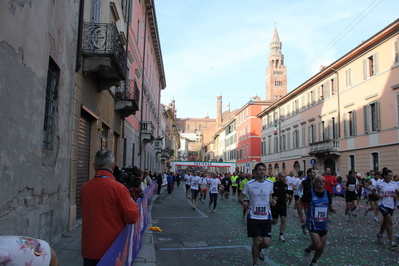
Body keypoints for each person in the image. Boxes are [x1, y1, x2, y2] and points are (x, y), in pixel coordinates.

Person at [80, 149, 139, 266]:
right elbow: (132, 217)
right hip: (112, 248)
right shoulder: (119, 188)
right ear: (113, 166)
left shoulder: (85, 187)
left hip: (89, 247)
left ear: (94, 166)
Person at [239, 162, 276, 266]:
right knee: (256, 241)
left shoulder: (270, 183)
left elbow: (270, 197)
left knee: (266, 243)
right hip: (253, 216)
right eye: (259, 169)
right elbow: (241, 197)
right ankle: (255, 263)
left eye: (263, 169)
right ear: (255, 172)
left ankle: (259, 249)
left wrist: (272, 201)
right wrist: (243, 203)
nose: (262, 171)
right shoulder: (249, 184)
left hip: (266, 216)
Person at [298, 175, 336, 266]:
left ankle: (314, 262)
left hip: (323, 223)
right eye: (319, 181)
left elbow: (329, 206)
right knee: (317, 245)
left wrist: (332, 209)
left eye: (323, 181)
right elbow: (299, 203)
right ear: (314, 182)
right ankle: (308, 250)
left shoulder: (327, 193)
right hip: (312, 223)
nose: (321, 183)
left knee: (321, 246)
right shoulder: (310, 193)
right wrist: (301, 216)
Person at [373, 169, 398, 247]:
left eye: (391, 176)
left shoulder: (394, 184)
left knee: (385, 221)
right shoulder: (380, 184)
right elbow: (374, 191)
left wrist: (396, 195)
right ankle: (391, 241)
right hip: (382, 204)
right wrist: (378, 196)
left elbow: (397, 192)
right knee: (389, 220)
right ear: (384, 176)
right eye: (389, 176)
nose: (390, 177)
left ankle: (380, 234)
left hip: (391, 205)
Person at [298, 168, 317, 235]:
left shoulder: (316, 181)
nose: (315, 173)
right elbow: (299, 189)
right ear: (309, 173)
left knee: (314, 217)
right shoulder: (304, 182)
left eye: (315, 172)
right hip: (306, 201)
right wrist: (301, 196)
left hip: (315, 201)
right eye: (313, 172)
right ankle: (312, 232)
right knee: (309, 216)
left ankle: (304, 226)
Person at [271, 172, 288, 242]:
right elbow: (270, 194)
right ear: (278, 177)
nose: (283, 178)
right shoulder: (274, 184)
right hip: (275, 205)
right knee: (275, 221)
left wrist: (288, 196)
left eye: (284, 177)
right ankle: (266, 224)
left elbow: (288, 193)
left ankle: (281, 235)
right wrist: (272, 197)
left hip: (283, 204)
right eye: (282, 177)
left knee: (283, 220)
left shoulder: (285, 185)